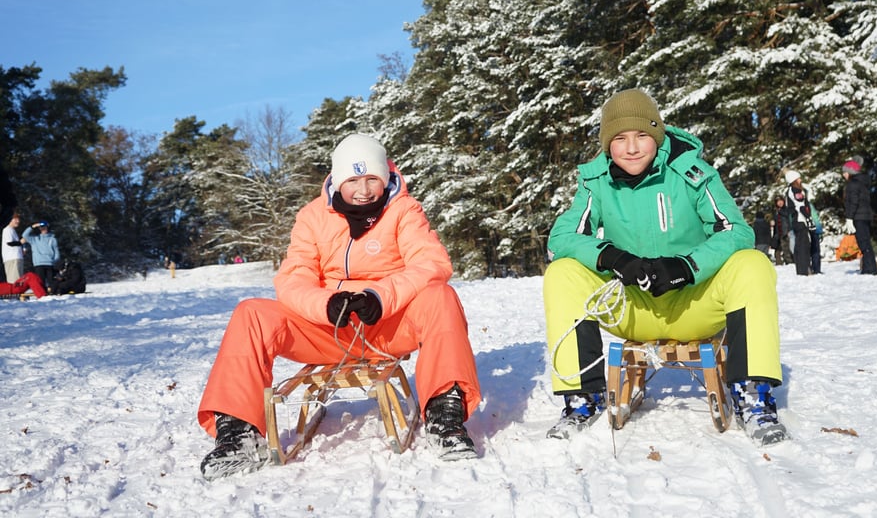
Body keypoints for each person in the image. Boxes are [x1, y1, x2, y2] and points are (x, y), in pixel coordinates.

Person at [197, 134, 482, 480]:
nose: (363, 190)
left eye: (372, 179)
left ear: (385, 176)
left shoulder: (404, 210)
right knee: (251, 313)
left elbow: (431, 264)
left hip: (388, 327)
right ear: (337, 180)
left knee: (441, 296)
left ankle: (444, 415)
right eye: (353, 180)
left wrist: (380, 296)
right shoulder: (312, 217)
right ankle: (238, 433)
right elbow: (293, 278)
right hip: (328, 330)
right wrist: (325, 303)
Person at [543, 89, 788, 447]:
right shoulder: (595, 182)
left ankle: (753, 395)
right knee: (562, 273)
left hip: (694, 306)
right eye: (620, 138)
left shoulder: (691, 173)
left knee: (753, 264)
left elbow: (737, 231)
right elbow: (560, 237)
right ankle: (583, 398)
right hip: (632, 308)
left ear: (657, 135)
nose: (631, 148)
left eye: (642, 135)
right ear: (607, 143)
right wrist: (613, 258)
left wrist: (685, 266)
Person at [842, 160, 877, 274]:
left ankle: (870, 269)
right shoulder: (863, 183)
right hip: (866, 216)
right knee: (865, 242)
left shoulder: (853, 184)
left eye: (845, 172)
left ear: (850, 172)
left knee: (863, 243)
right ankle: (869, 267)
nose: (843, 175)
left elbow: (853, 202)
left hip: (858, 216)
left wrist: (849, 218)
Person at [783, 171, 814, 276]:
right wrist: (809, 218)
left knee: (800, 244)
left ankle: (803, 268)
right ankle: (803, 269)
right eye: (799, 178)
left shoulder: (790, 191)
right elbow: (800, 206)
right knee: (803, 244)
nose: (801, 180)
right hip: (800, 220)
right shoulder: (795, 190)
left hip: (797, 220)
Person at [21, 221, 60, 292]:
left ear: (48, 228)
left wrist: (54, 261)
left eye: (45, 228)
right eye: (41, 228)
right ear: (39, 229)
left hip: (49, 264)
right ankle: (42, 295)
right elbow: (25, 235)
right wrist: (33, 226)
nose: (43, 229)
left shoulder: (53, 239)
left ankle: (53, 294)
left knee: (52, 282)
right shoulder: (34, 239)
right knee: (41, 281)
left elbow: (56, 252)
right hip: (39, 264)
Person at [3, 212, 25, 284]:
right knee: (14, 281)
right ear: (10, 219)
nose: (18, 221)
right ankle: (14, 295)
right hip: (12, 259)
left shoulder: (13, 231)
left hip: (17, 258)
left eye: (18, 219)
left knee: (19, 280)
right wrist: (21, 242)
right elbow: (10, 243)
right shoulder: (7, 230)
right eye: (15, 219)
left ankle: (17, 294)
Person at [771, 196, 793, 266]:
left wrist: (779, 211)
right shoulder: (775, 212)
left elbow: (787, 215)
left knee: (787, 248)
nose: (780, 203)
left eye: (781, 201)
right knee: (778, 249)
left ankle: (789, 262)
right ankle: (779, 263)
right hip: (778, 232)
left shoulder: (786, 209)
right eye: (778, 201)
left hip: (786, 231)